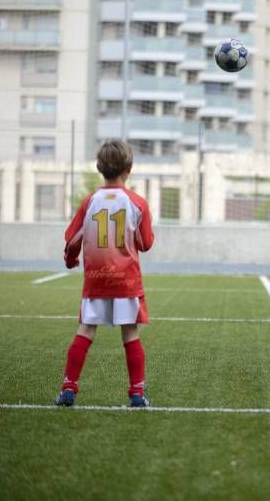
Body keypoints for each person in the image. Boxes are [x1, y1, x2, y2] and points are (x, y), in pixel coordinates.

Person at [55, 140, 154, 408]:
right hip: (126, 282)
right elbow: (146, 244)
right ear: (129, 169)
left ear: (99, 168)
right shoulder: (137, 203)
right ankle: (136, 394)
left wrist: (71, 258)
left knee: (85, 330)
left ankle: (68, 388)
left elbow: (72, 238)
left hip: (96, 281)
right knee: (130, 334)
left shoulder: (90, 201)